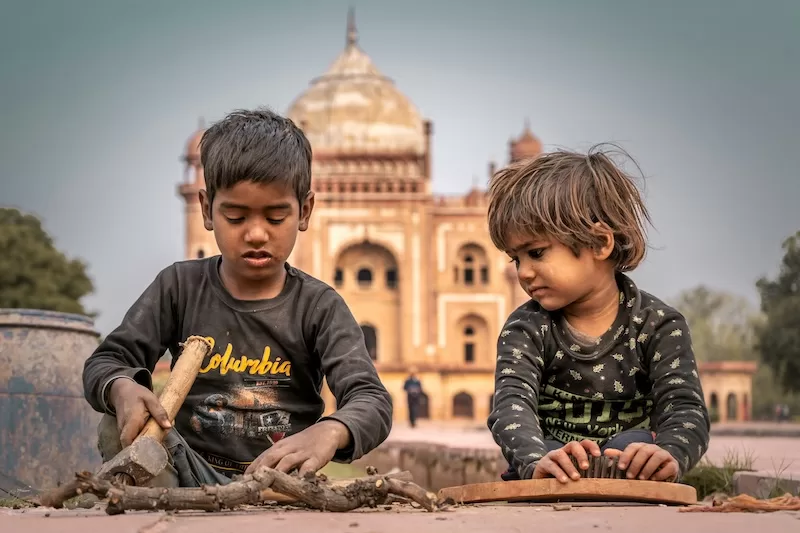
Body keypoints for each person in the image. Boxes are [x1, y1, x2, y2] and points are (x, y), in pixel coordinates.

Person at [83, 107, 393, 488]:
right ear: (207, 209)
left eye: (275, 218)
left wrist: (329, 430)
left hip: (279, 482)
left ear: (305, 211)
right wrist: (122, 387)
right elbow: (108, 360)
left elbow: (371, 399)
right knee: (116, 423)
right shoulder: (180, 287)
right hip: (183, 470)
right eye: (236, 217)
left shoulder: (318, 306)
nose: (257, 233)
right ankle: (168, 506)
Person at [485, 144, 710, 485]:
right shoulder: (526, 327)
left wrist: (670, 454)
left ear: (599, 243)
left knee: (633, 447)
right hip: (553, 467)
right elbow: (511, 407)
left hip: (631, 469)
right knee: (553, 455)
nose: (524, 272)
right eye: (516, 259)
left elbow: (684, 408)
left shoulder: (658, 325)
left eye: (536, 253)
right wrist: (535, 461)